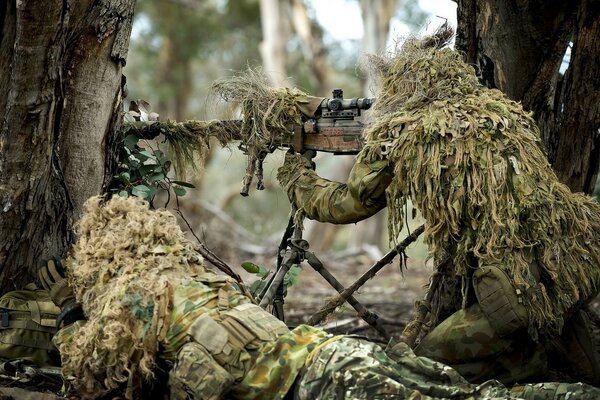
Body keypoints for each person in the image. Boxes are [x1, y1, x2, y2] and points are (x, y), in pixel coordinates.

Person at [276, 26, 600, 386]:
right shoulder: (503, 114)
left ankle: (526, 372)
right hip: (576, 260)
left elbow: (346, 205)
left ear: (401, 87)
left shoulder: (405, 132)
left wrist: (297, 176)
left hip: (519, 288)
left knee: (425, 364)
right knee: (585, 368)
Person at [38, 195, 600, 400]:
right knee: (464, 393)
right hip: (326, 356)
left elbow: (91, 376)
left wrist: (68, 317)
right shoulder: (192, 279)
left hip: (314, 384)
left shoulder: (136, 299)